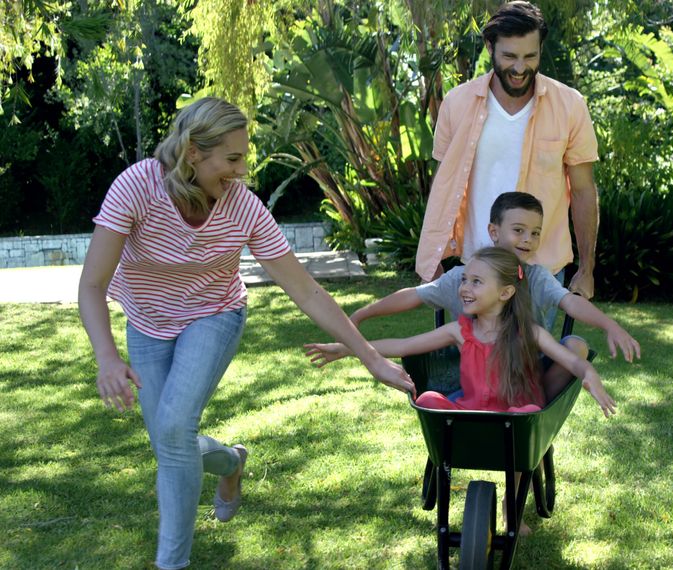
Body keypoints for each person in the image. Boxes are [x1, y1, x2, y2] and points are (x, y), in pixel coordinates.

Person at [77, 97, 414, 570]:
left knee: (173, 431)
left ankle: (170, 563)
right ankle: (232, 462)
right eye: (231, 159)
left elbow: (308, 292)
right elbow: (92, 284)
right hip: (148, 323)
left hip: (214, 315)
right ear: (194, 152)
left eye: (243, 159)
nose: (240, 171)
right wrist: (107, 358)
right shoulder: (137, 187)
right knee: (170, 444)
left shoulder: (243, 207)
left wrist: (370, 357)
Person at [351, 191, 640, 401]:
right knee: (437, 402)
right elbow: (414, 296)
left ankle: (537, 411)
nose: (528, 239)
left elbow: (570, 302)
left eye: (535, 233)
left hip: (528, 374)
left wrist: (609, 325)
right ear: (494, 231)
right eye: (518, 230)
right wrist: (363, 315)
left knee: (575, 345)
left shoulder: (537, 277)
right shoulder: (465, 278)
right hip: (474, 378)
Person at [415, 1, 601, 299]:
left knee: (533, 348)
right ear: (490, 47)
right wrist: (432, 256)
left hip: (542, 272)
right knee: (472, 348)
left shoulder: (570, 105)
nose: (519, 67)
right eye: (509, 56)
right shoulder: (457, 103)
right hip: (475, 269)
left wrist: (587, 269)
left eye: (530, 56)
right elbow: (444, 185)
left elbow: (582, 190)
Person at [307, 247, 616, 417]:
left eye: (476, 282)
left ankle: (512, 502)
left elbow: (572, 361)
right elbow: (404, 344)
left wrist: (591, 376)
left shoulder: (529, 332)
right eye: (465, 280)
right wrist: (348, 348)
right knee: (428, 399)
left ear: (506, 292)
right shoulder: (460, 331)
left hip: (518, 413)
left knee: (527, 419)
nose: (465, 288)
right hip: (474, 411)